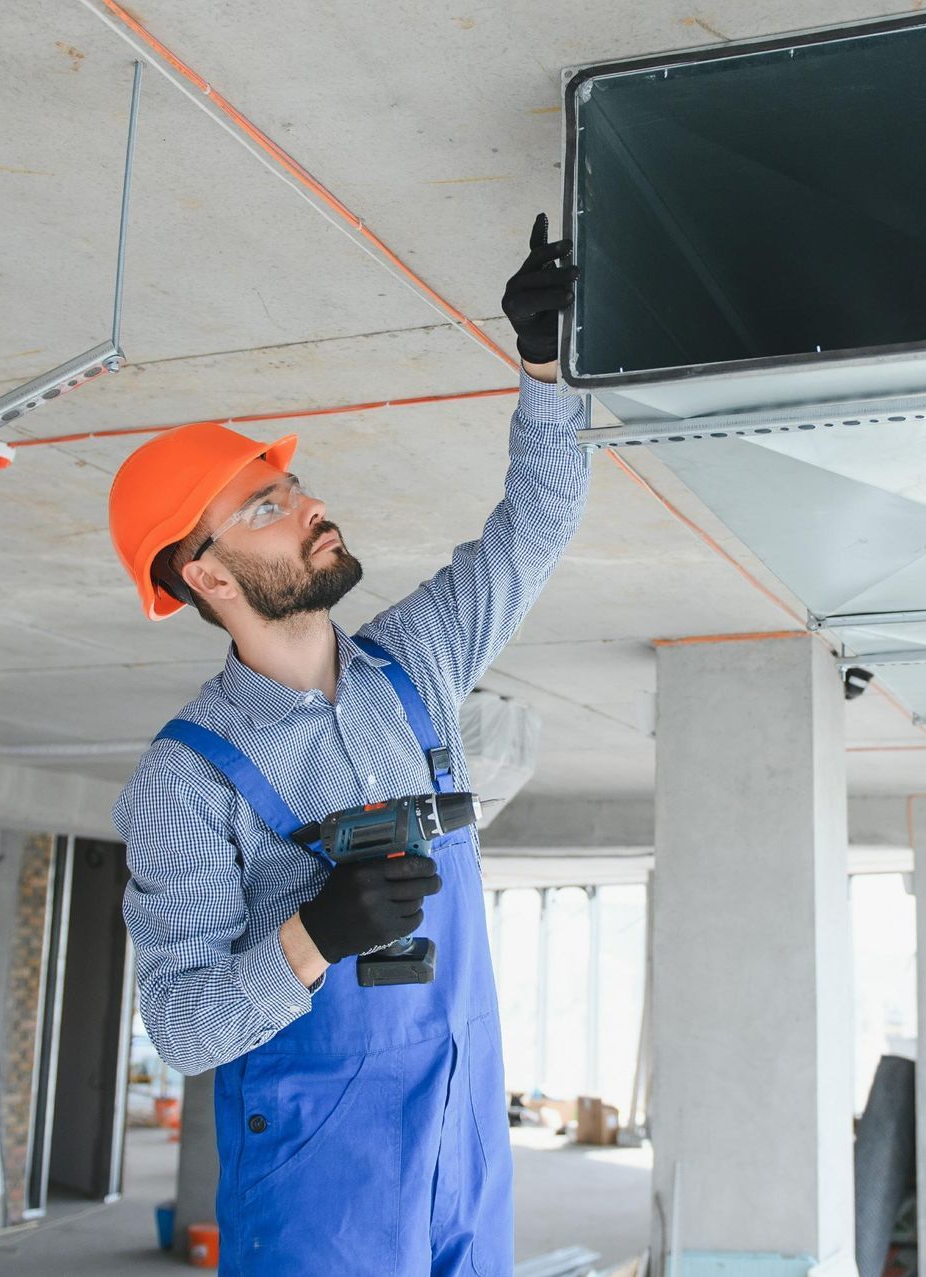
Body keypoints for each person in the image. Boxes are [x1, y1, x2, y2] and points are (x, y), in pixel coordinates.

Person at [108, 216, 585, 1275]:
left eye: (295, 485)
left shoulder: (410, 668)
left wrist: (546, 365)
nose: (310, 504)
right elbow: (180, 1025)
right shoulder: (185, 778)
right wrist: (314, 934)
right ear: (211, 576)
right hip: (324, 1161)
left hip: (463, 1115)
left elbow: (535, 528)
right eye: (267, 504)